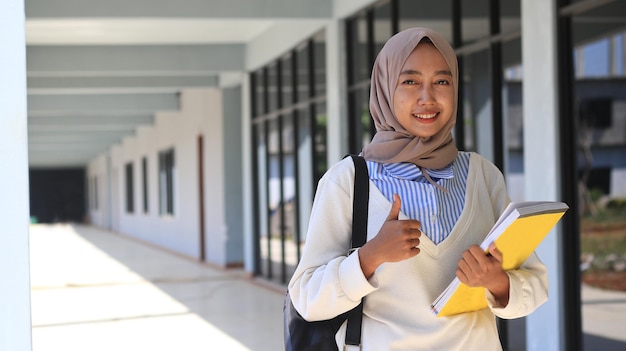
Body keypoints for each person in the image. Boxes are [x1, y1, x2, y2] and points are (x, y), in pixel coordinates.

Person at [287, 27, 548, 350]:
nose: (428, 97)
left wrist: (496, 282)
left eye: (442, 81)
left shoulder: (482, 176)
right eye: (410, 81)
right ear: (384, 88)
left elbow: (536, 285)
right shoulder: (348, 181)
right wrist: (369, 257)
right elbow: (306, 298)